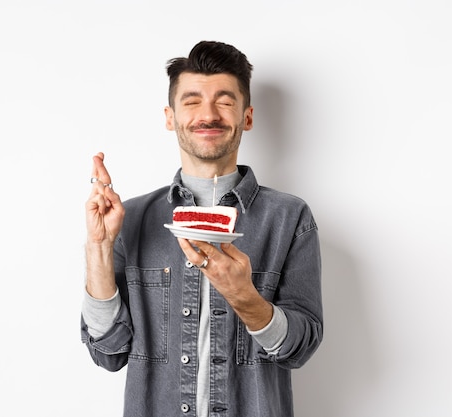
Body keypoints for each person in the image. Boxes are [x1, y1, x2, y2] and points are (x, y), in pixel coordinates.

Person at [81, 40, 323, 417]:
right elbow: (108, 353)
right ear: (169, 117)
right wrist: (98, 247)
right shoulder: (133, 218)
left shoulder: (290, 218)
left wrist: (245, 297)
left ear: (247, 117)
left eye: (225, 101)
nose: (208, 115)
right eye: (192, 101)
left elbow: (301, 347)